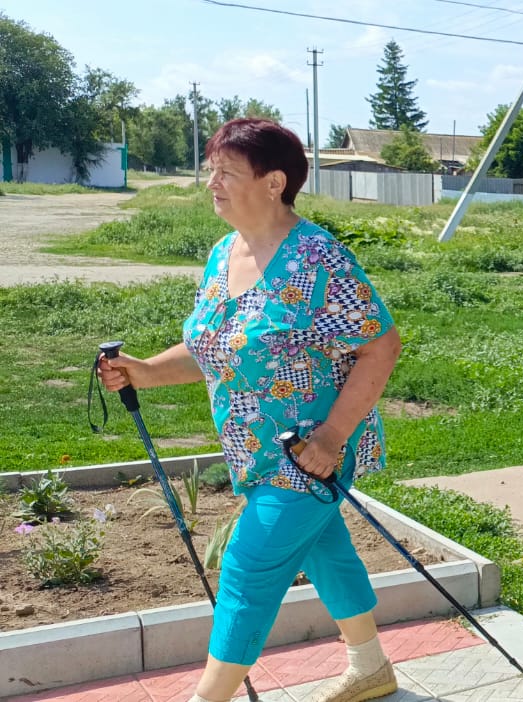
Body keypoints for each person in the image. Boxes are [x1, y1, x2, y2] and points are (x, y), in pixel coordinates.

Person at [96, 118, 403, 702]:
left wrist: (333, 437)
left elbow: (381, 346)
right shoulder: (225, 254)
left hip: (309, 454)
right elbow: (216, 348)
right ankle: (371, 667)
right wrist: (145, 371)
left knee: (246, 567)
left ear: (273, 182)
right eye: (212, 170)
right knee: (325, 548)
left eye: (227, 172)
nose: (212, 183)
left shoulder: (318, 259)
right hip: (253, 450)